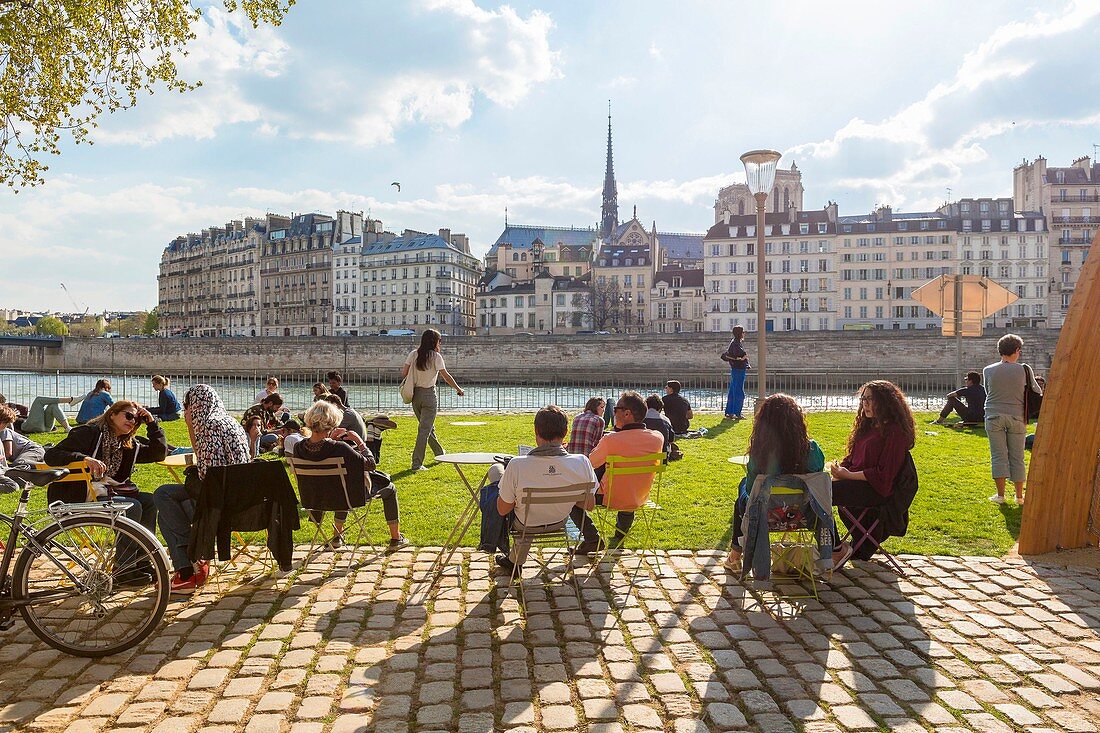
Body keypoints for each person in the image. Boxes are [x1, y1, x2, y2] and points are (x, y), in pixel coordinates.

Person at [44, 400, 166, 587]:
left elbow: (159, 454)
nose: (133, 421)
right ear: (112, 415)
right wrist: (84, 459)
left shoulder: (127, 444)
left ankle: (141, 561)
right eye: (128, 415)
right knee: (133, 506)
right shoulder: (89, 433)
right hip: (80, 496)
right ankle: (123, 568)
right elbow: (51, 455)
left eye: (137, 419)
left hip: (105, 493)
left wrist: (151, 423)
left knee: (149, 501)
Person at [724, 394, 849, 572]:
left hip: (765, 516)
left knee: (743, 488)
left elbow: (753, 490)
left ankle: (735, 556)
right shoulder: (811, 449)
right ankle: (835, 548)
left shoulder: (760, 454)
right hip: (806, 515)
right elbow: (816, 481)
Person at [154, 384, 251, 594]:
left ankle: (192, 562)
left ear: (196, 405)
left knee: (163, 496)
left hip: (219, 501)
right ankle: (191, 567)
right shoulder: (229, 422)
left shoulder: (209, 425)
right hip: (239, 495)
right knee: (166, 511)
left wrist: (191, 427)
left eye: (187, 406)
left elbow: (207, 474)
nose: (186, 410)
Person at [488, 405, 598, 574]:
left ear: (536, 430)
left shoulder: (517, 465)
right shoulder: (582, 462)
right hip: (559, 519)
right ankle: (513, 560)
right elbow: (589, 505)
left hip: (525, 524)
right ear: (566, 431)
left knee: (496, 472)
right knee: (527, 503)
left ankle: (503, 552)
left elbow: (502, 510)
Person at [295, 399, 406, 551]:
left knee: (340, 483)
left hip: (314, 498)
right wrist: (360, 442)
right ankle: (396, 538)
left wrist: (331, 439)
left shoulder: (299, 447)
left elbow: (320, 450)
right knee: (389, 488)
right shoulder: (340, 448)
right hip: (344, 497)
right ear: (333, 422)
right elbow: (370, 464)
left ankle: (337, 536)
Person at [830, 380, 916, 559]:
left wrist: (849, 475)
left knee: (823, 493)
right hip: (857, 483)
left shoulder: (895, 432)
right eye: (863, 399)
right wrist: (841, 470)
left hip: (876, 489)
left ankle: (835, 548)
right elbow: (852, 459)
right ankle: (857, 543)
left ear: (885, 402)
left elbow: (884, 475)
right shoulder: (867, 427)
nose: (865, 404)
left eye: (870, 399)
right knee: (820, 487)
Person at [570, 391, 665, 554]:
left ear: (627, 413)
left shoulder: (611, 440)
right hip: (639, 496)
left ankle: (592, 538)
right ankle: (620, 534)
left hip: (610, 497)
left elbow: (589, 464)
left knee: (569, 496)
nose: (612, 412)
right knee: (628, 484)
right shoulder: (657, 438)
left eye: (615, 409)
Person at [983, 334, 1042, 505]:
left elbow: (988, 392)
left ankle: (1000, 495)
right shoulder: (1024, 369)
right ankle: (1019, 496)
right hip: (1017, 416)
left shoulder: (988, 370)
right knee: (1017, 455)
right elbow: (1036, 391)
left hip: (993, 414)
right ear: (1016, 350)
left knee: (998, 455)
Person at [401, 329, 464, 471]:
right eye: (439, 340)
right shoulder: (436, 357)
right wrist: (458, 389)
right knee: (424, 430)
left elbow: (404, 373)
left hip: (415, 396)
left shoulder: (413, 354)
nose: (440, 343)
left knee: (428, 427)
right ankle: (416, 464)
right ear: (434, 341)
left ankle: (439, 453)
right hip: (429, 395)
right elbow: (446, 376)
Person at [242, 393, 285, 458]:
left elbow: (278, 423)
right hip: (249, 435)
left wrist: (286, 427)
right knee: (273, 437)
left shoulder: (268, 411)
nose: (277, 410)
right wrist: (276, 431)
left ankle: (264, 448)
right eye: (277, 407)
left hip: (258, 435)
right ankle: (261, 449)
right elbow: (259, 431)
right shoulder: (256, 411)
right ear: (270, 403)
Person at [721, 326, 750, 420]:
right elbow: (740, 355)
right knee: (738, 392)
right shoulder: (736, 344)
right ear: (740, 333)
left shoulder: (735, 343)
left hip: (736, 369)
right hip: (739, 369)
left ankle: (730, 412)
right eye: (743, 332)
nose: (744, 333)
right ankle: (737, 413)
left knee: (733, 391)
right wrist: (743, 358)